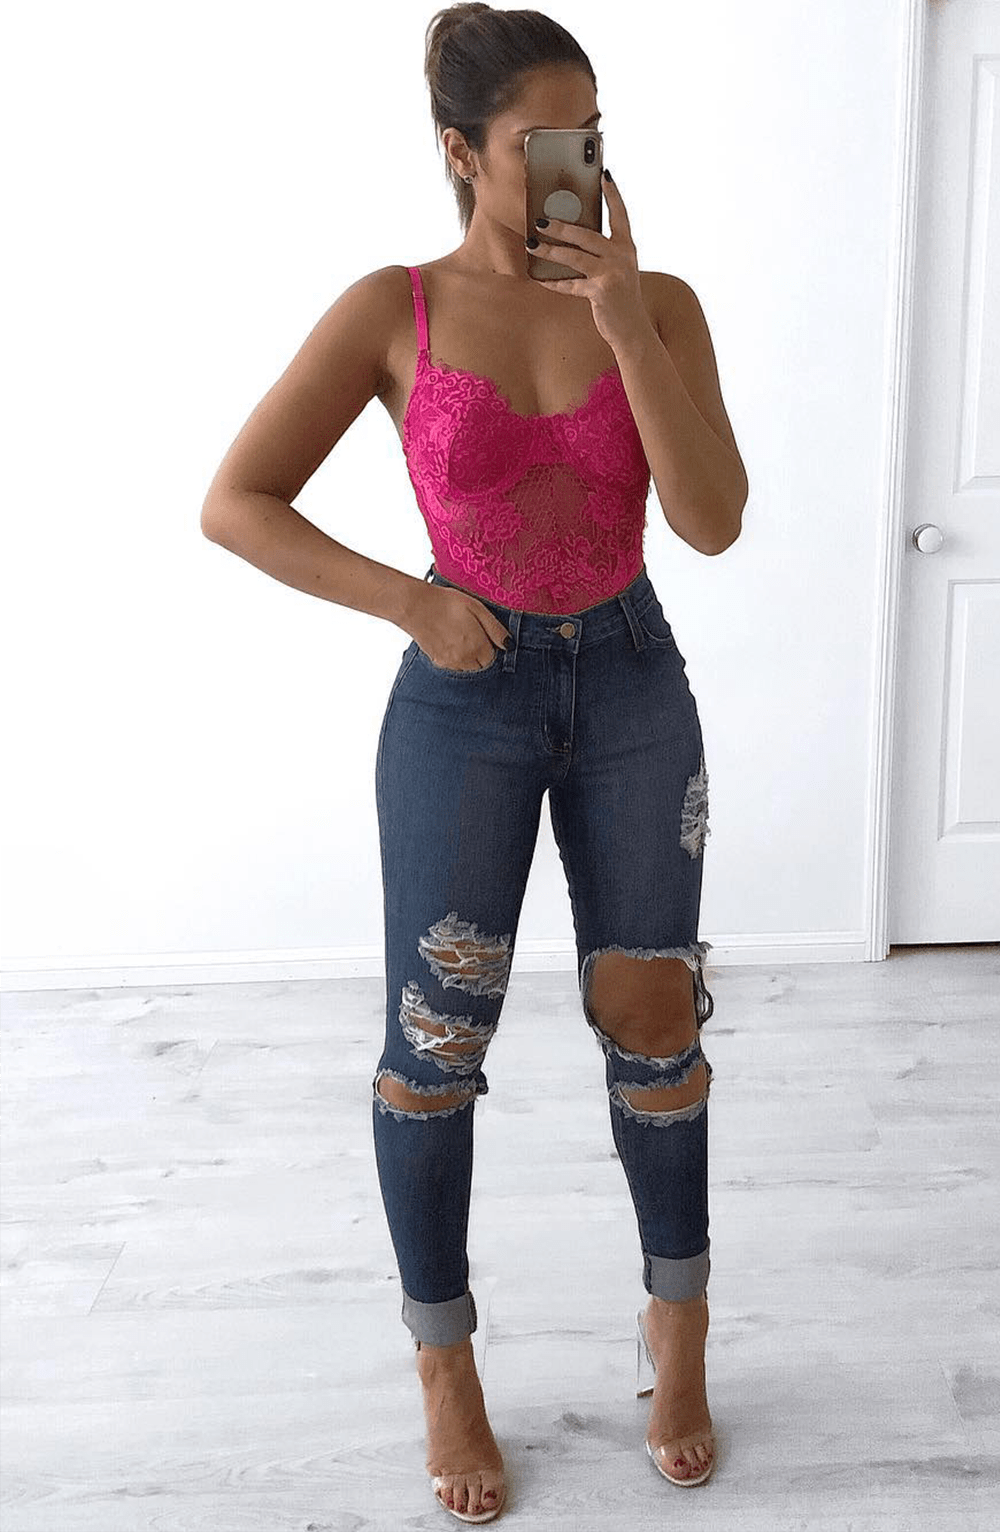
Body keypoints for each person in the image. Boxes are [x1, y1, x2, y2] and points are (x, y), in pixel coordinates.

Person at [201, 3, 747, 1522]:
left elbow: (711, 523)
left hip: (632, 679)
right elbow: (238, 501)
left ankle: (680, 1333)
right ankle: (446, 1369)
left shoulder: (661, 302)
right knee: (434, 1043)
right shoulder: (394, 308)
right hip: (464, 695)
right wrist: (412, 601)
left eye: (596, 135)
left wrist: (624, 320)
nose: (581, 163)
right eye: (543, 141)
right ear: (461, 152)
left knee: (656, 1021)